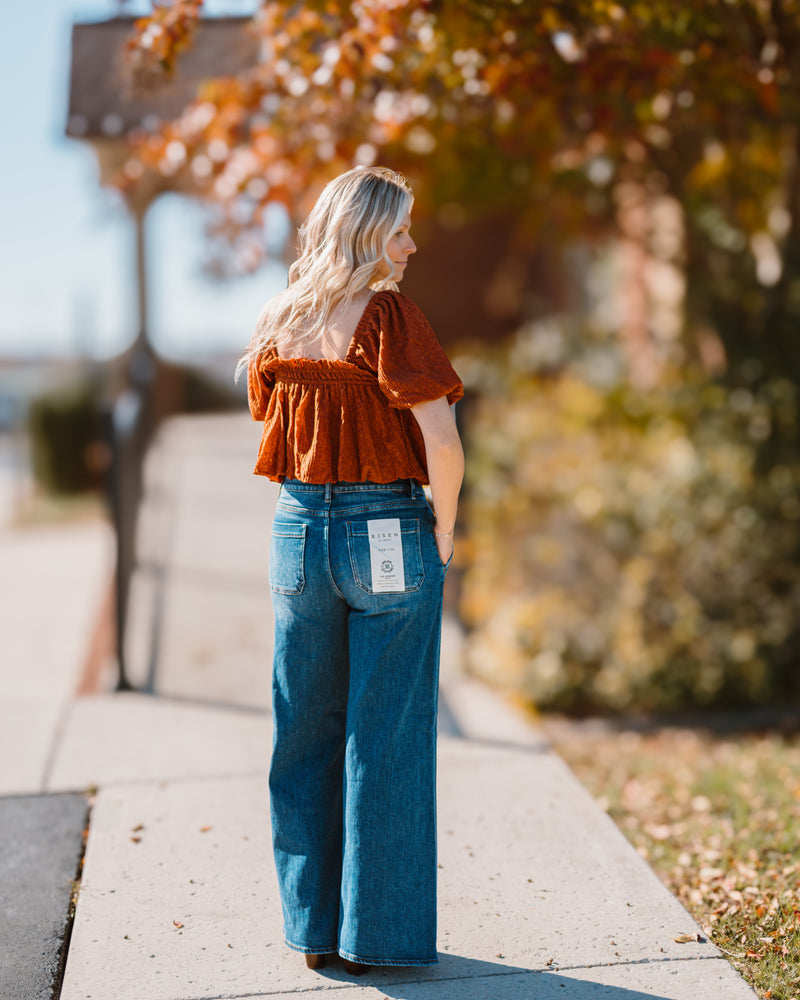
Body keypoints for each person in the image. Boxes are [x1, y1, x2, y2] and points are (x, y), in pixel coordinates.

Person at [240, 165, 464, 975]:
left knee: (302, 731)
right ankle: (382, 939)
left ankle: (315, 933)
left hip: (297, 538)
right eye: (399, 228)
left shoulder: (279, 317)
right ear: (367, 233)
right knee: (388, 735)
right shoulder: (389, 316)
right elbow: (440, 439)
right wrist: (443, 530)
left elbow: (275, 422)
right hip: (388, 532)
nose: (410, 244)